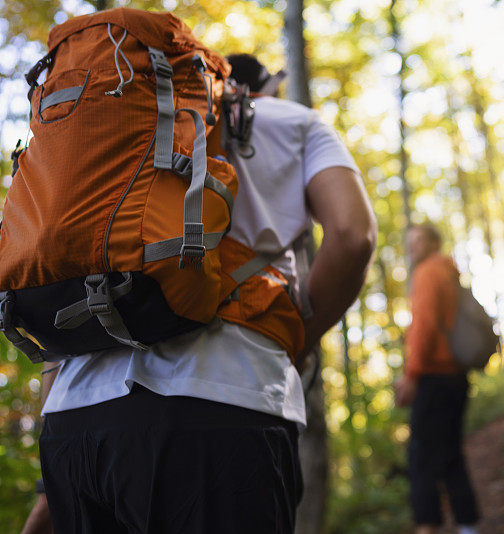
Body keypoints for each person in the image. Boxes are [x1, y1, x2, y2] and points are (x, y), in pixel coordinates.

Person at [22, 53, 376, 534]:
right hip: (227, 402)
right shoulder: (295, 122)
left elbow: (68, 271)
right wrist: (300, 339)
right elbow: (354, 235)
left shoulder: (121, 129)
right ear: (264, 88)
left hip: (76, 421)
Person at [395, 223, 480, 534]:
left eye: (417, 240)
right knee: (451, 453)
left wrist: (411, 375)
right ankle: (468, 526)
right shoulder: (448, 271)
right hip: (457, 377)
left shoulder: (428, 272)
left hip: (434, 377)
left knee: (420, 460)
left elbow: (425, 326)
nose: (412, 247)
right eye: (409, 241)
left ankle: (427, 527)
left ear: (433, 242)